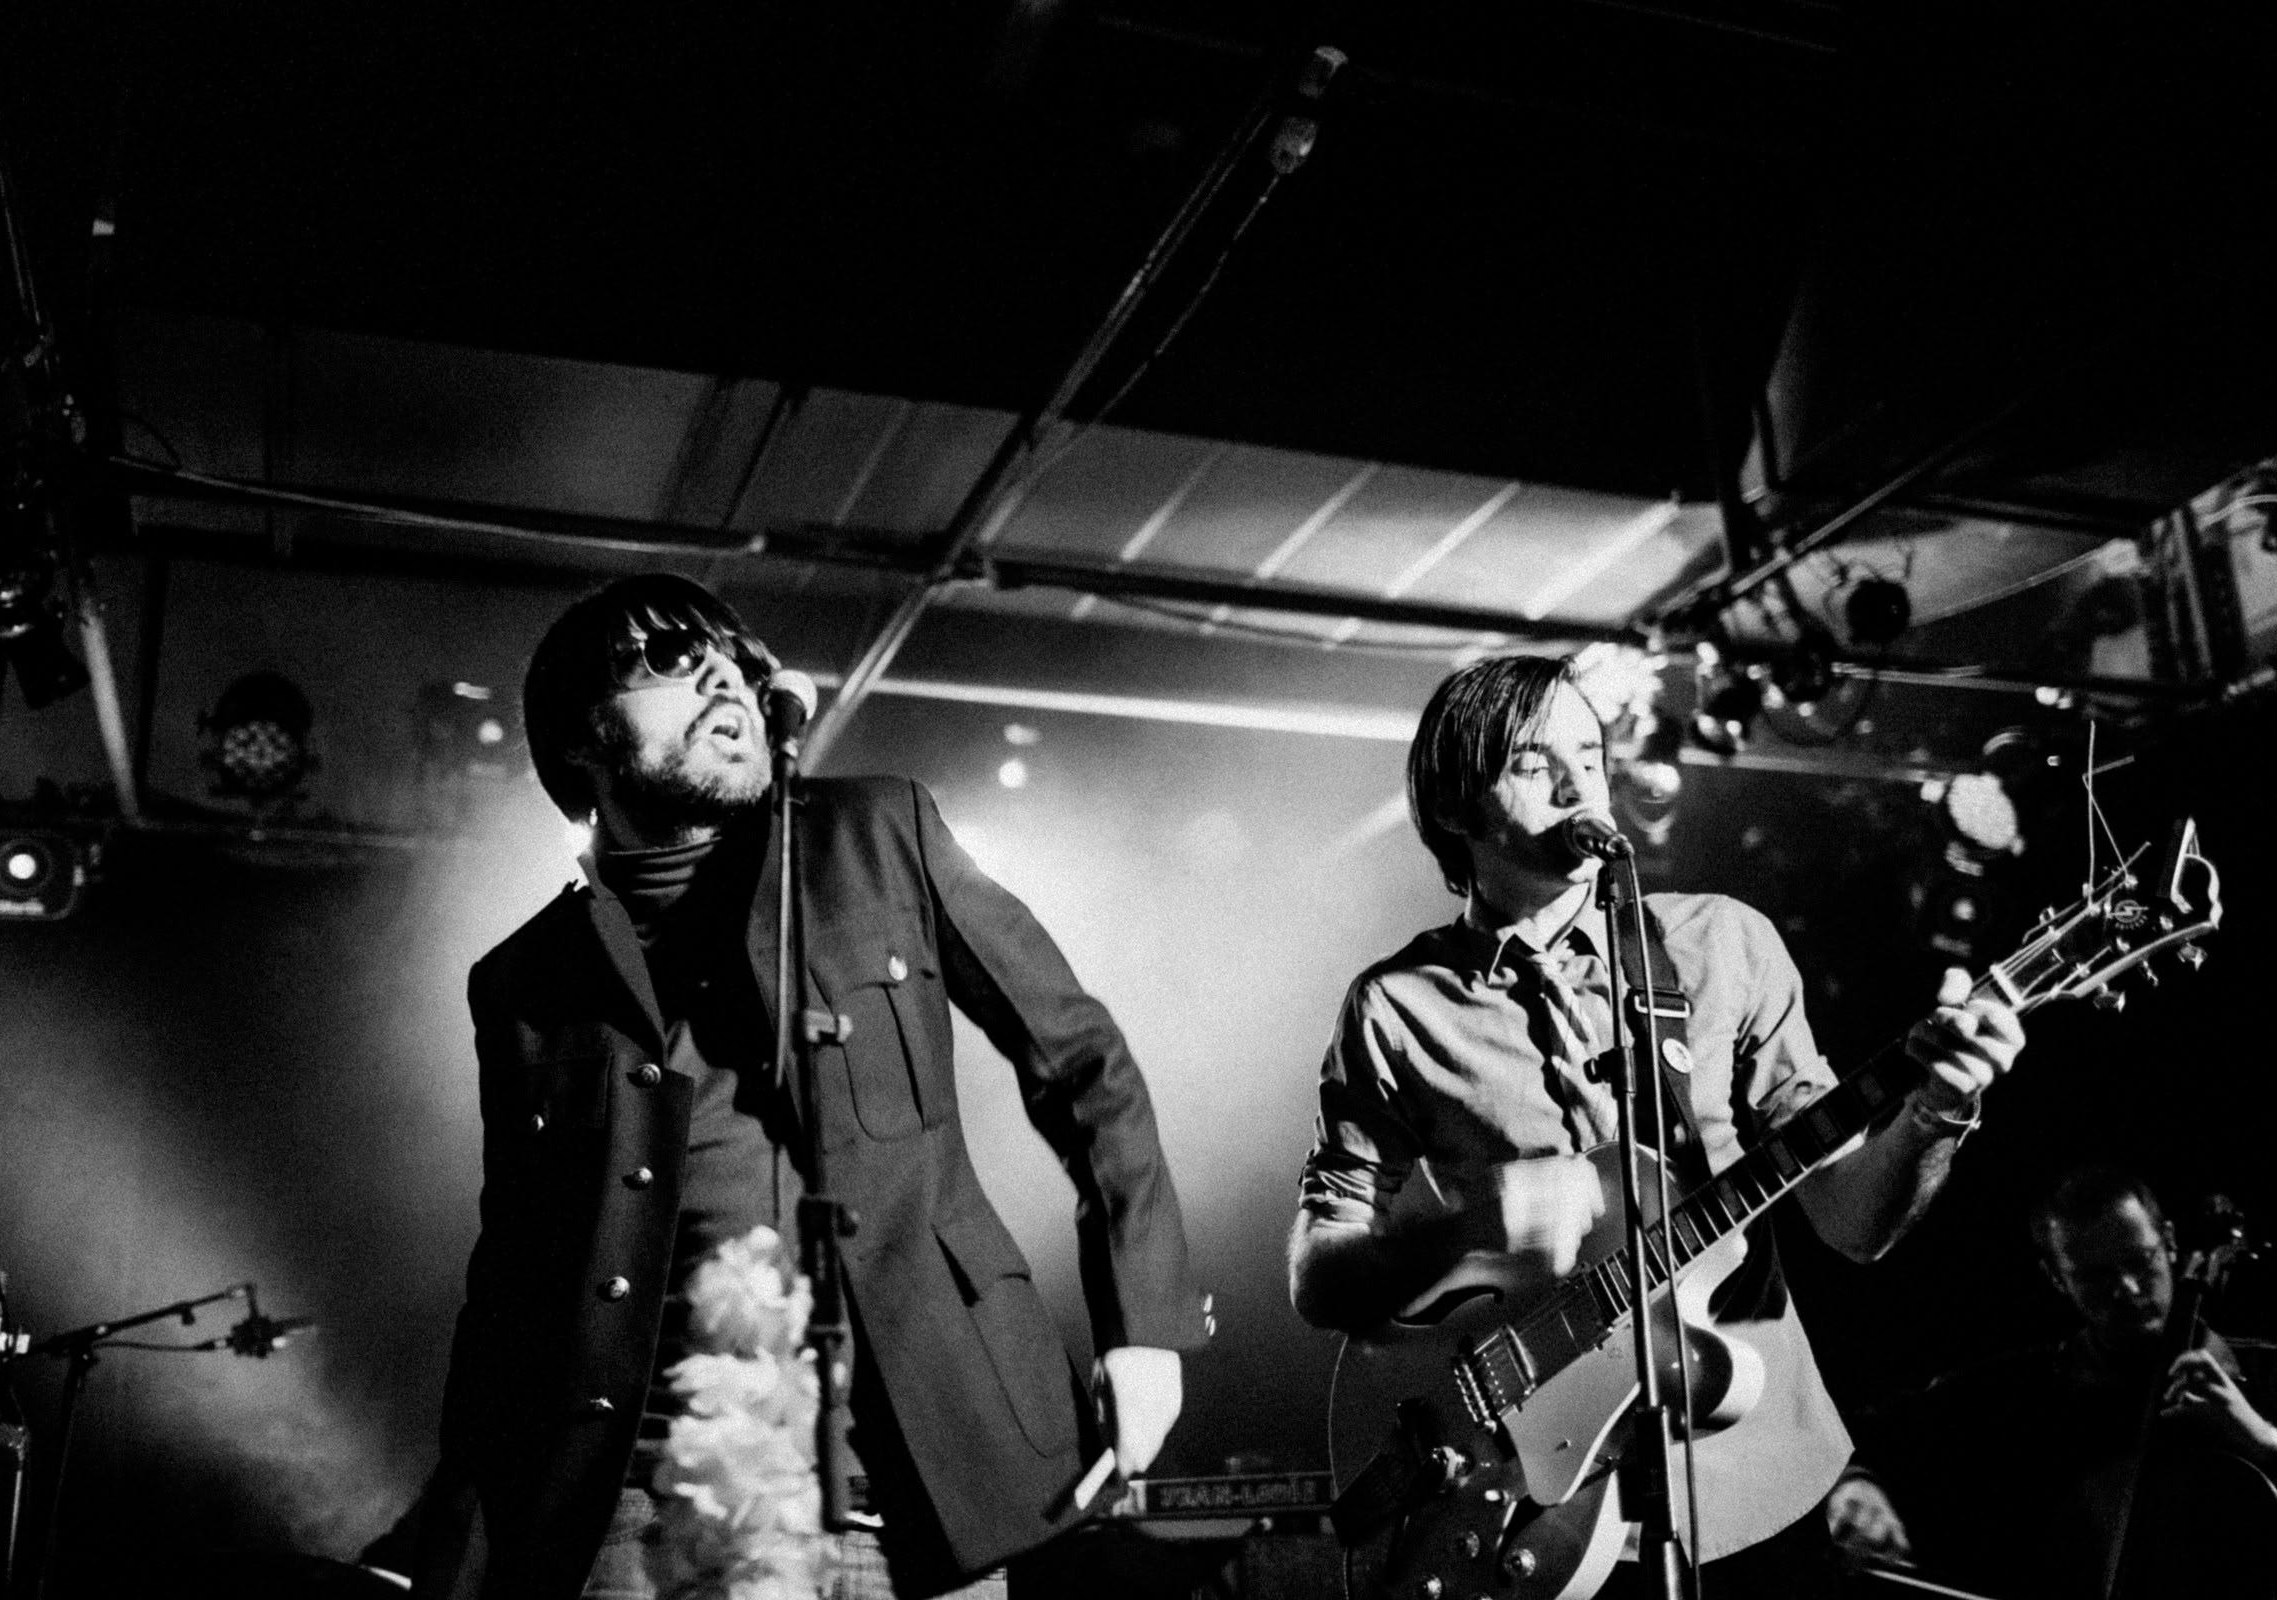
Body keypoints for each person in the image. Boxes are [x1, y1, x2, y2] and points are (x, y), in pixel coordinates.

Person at [420, 575, 1208, 1600]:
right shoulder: (523, 982)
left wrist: (1145, 1322)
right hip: (648, 1502)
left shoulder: (877, 837)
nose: (721, 671)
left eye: (736, 657)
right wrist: (450, 1521)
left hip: (916, 1474)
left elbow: (1081, 1061)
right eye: (664, 657)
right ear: (579, 739)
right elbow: (514, 1278)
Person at [1289, 654, 2024, 1598]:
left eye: (1588, 753)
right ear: (1457, 808)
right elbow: (1319, 1277)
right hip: (1530, 1512)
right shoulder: (1396, 1009)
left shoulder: (1722, 942)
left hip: (1754, 1482)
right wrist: (1474, 1227)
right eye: (1530, 760)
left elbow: (1853, 1222)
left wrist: (1938, 1110)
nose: (1577, 780)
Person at [1830, 1167, 2277, 1598]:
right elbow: (1861, 1434)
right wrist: (1856, 1486)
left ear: (2171, 1242)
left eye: (2140, 1262)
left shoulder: (2266, 1372)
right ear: (2057, 1279)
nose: (2128, 1289)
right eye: (2094, 1277)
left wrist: (2260, 1438)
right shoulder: (2023, 1394)